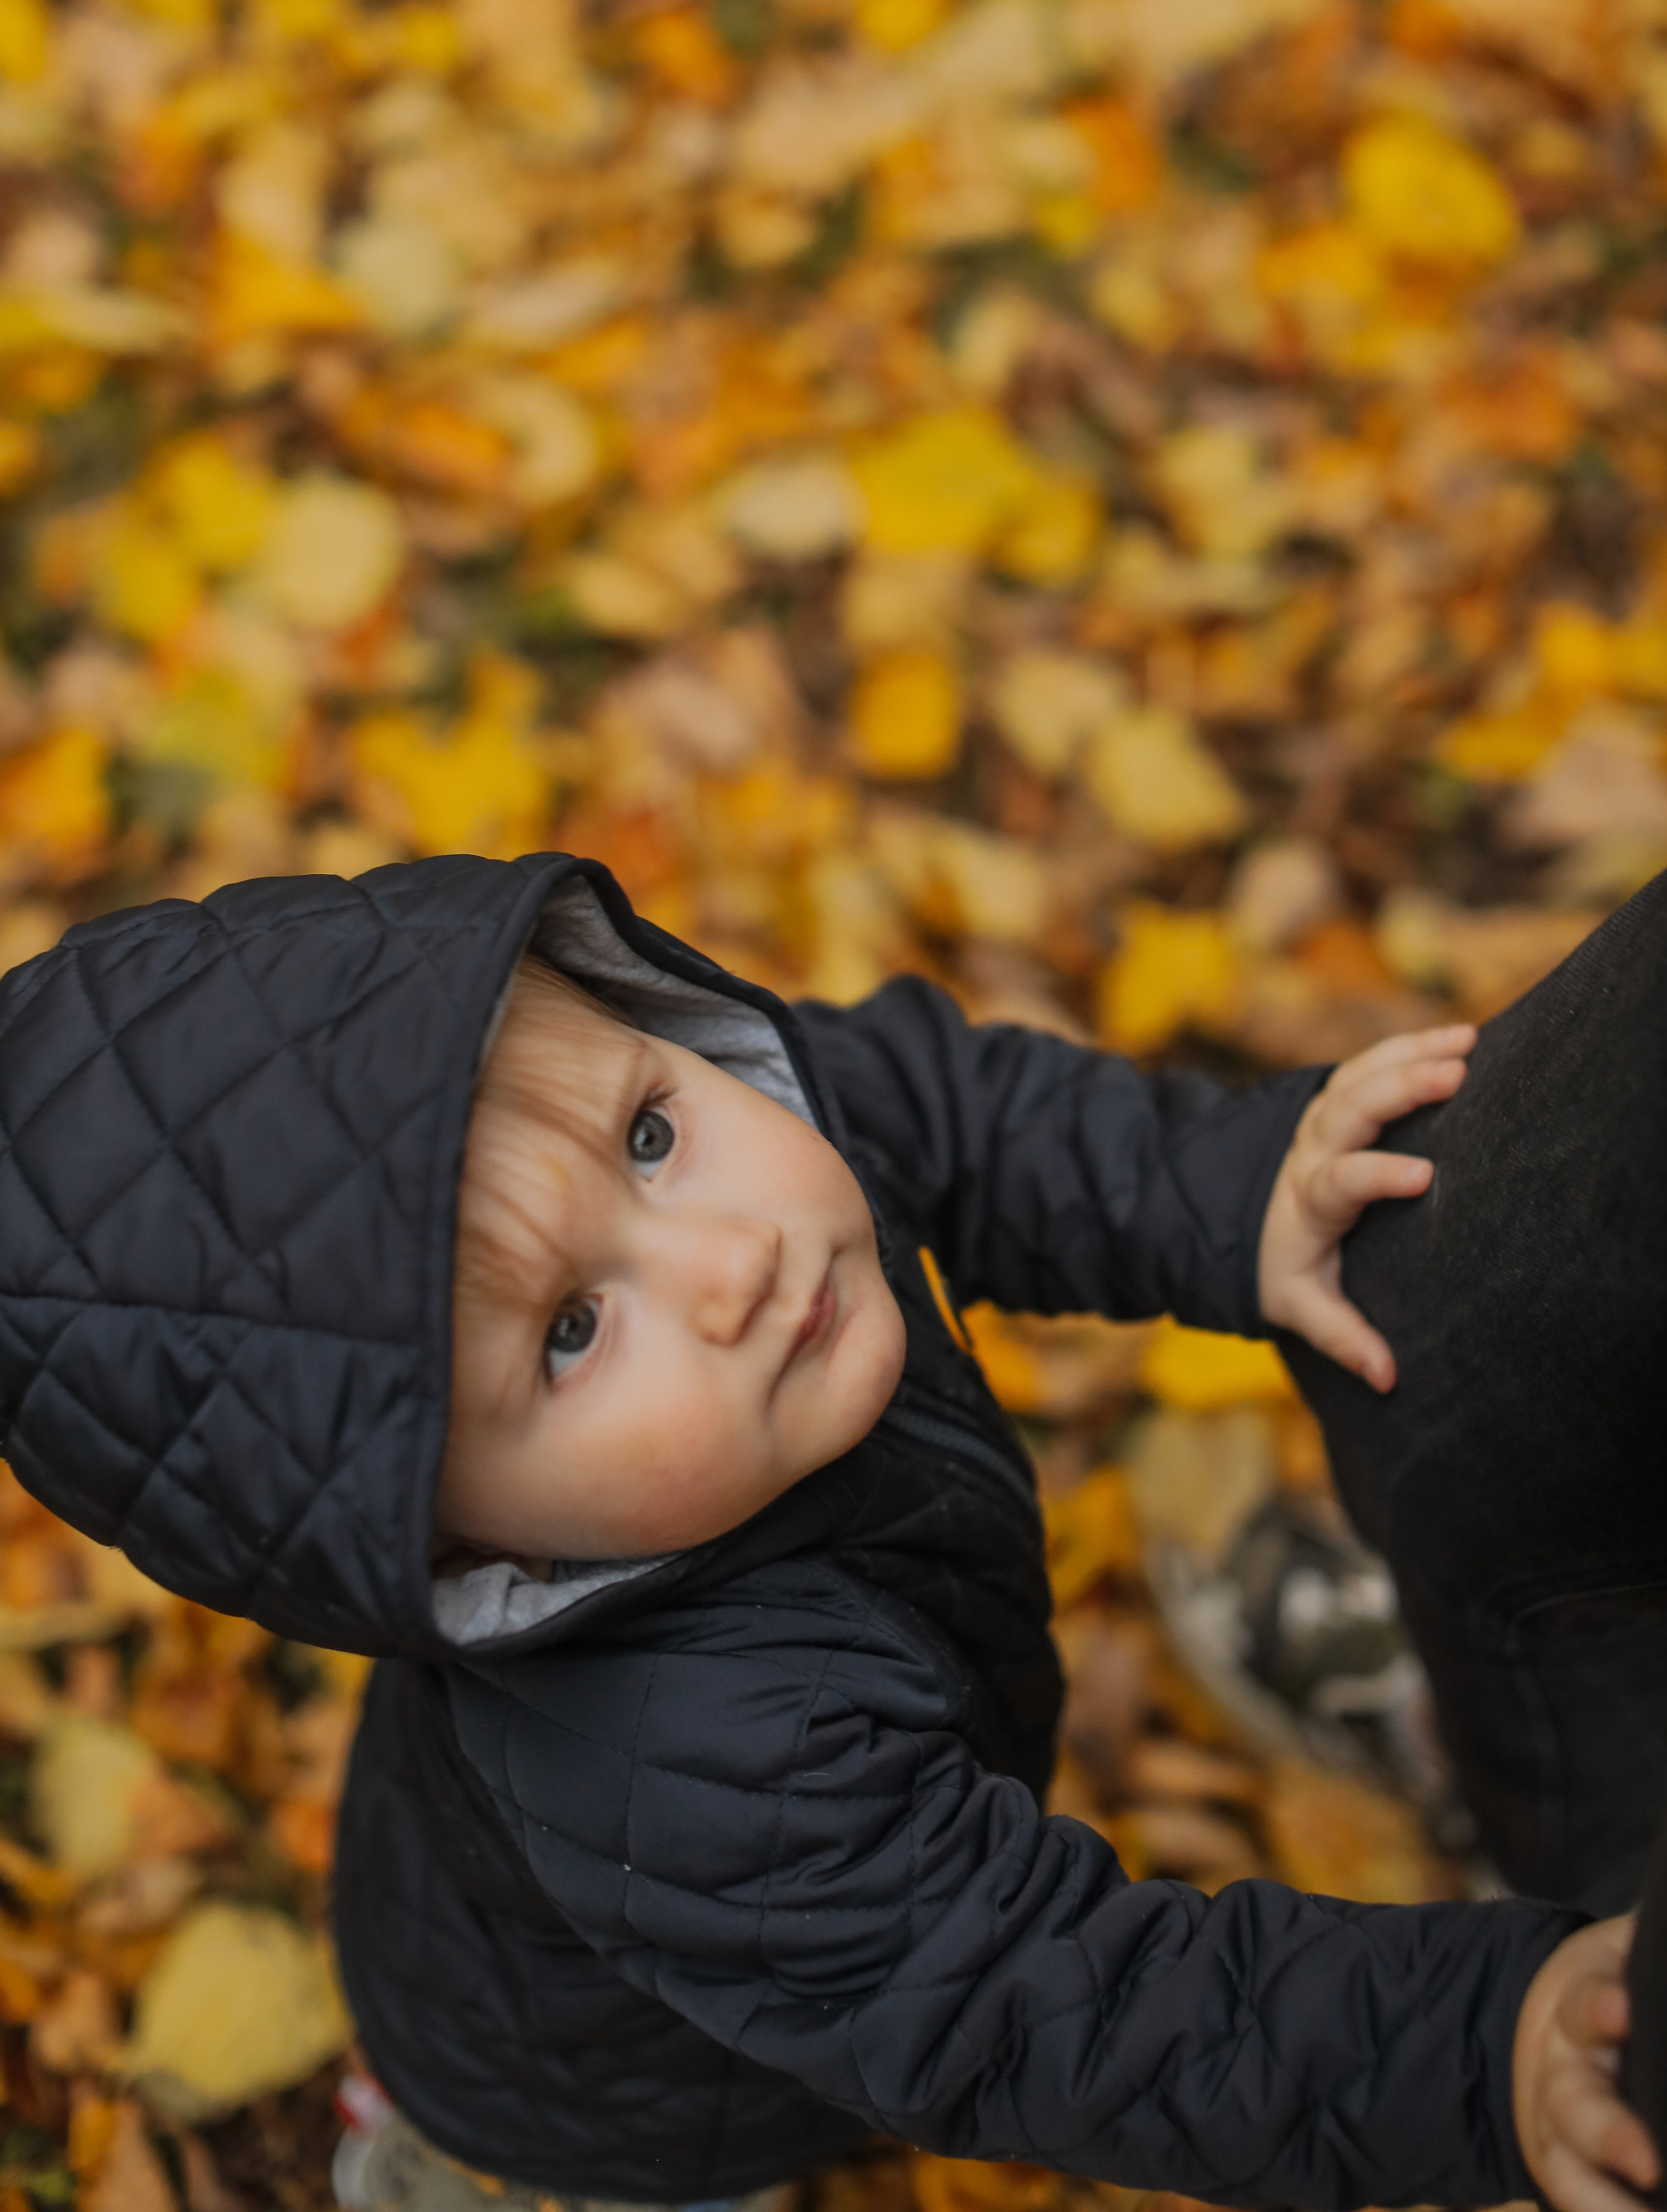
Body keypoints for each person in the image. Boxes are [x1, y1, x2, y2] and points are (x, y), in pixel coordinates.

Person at [0, 849, 1644, 2212]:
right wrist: (1470, 2047)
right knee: (684, 2139)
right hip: (613, 2086)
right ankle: (463, 2173)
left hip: (776, 1875)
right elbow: (1046, 2004)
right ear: (447, 1549)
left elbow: (966, 1119)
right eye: (569, 1331)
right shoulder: (693, 1757)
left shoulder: (764, 1136)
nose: (728, 1262)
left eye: (647, 1135)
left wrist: (1231, 1193)